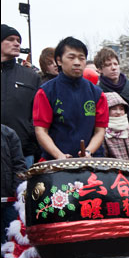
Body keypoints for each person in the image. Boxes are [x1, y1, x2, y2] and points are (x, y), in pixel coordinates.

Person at [33, 37, 109, 160]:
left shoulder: (97, 93)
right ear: (59, 60)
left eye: (81, 58)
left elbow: (100, 131)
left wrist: (88, 152)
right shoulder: (46, 92)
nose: (77, 62)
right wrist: (59, 155)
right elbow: (41, 130)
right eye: (71, 57)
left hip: (91, 161)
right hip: (55, 162)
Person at [1, 24, 42, 165]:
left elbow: (39, 112)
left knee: (23, 188)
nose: (16, 43)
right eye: (11, 39)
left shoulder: (31, 76)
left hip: (23, 152)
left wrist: (30, 134)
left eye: (18, 40)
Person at [1, 124, 26, 235]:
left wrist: (15, 191)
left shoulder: (9, 134)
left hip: (8, 201)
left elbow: (19, 166)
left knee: (10, 239)